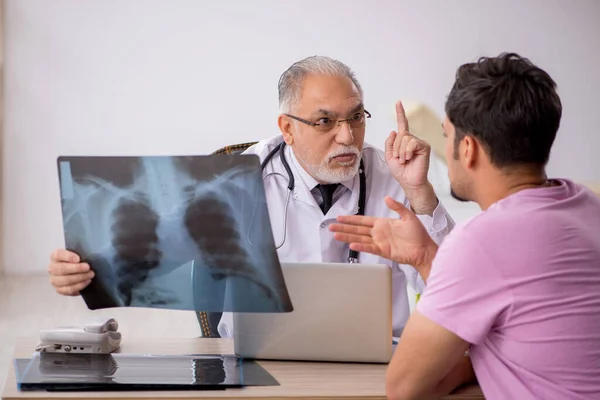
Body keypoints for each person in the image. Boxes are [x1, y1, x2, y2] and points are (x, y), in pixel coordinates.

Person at [47, 55, 455, 339]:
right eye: (325, 121)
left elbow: (454, 283)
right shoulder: (240, 175)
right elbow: (156, 246)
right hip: (255, 363)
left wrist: (420, 191)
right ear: (287, 127)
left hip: (378, 360)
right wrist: (85, 269)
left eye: (355, 117)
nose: (346, 135)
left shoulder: (393, 174)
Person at [330, 52, 600, 400]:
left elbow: (404, 388)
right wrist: (428, 256)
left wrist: (476, 355)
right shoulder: (587, 205)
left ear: (468, 148)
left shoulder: (483, 241)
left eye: (446, 135)